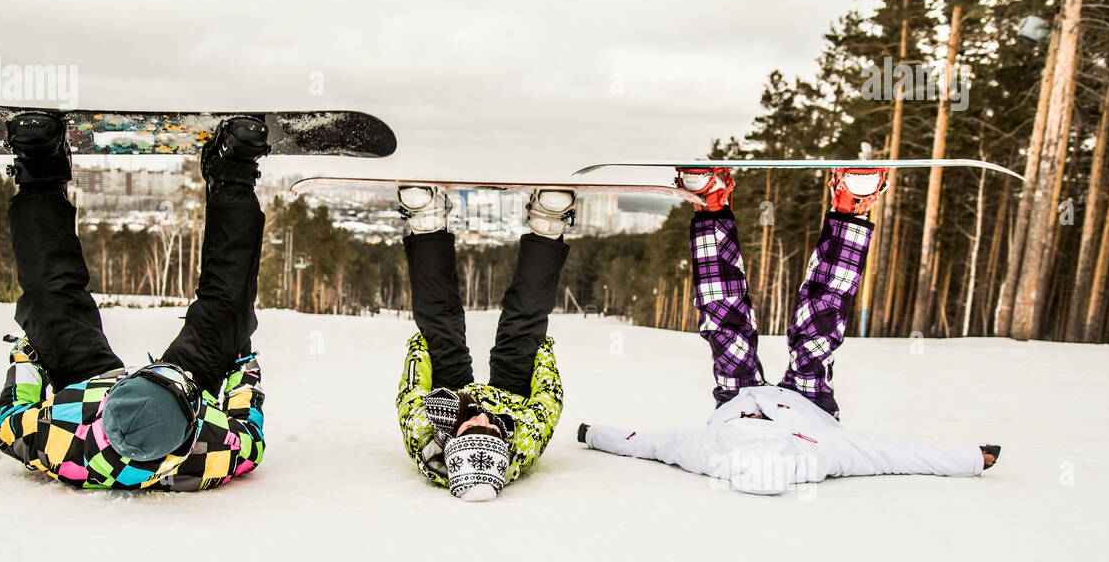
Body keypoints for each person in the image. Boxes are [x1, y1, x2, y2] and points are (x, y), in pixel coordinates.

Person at [578, 167, 1001, 495]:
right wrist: (968, 459)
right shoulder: (824, 453)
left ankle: (712, 203)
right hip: (810, 403)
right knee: (820, 320)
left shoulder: (710, 452)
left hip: (735, 392)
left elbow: (647, 443)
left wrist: (593, 435)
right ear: (788, 445)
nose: (755, 418)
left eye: (748, 426)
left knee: (723, 321)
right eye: (758, 426)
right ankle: (850, 207)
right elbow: (897, 456)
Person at [0, 112, 270, 491]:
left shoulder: (58, 437)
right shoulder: (214, 450)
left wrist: (28, 354)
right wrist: (240, 357)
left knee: (50, 302)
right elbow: (247, 421)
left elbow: (10, 418)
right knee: (228, 308)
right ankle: (233, 174)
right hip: (168, 394)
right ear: (193, 424)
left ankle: (40, 168)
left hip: (88, 386)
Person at [395, 186, 574, 501]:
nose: (481, 417)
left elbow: (411, 391)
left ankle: (427, 220)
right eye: (490, 430)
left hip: (451, 400)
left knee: (440, 328)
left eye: (472, 428)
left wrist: (424, 345)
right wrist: (539, 352)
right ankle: (548, 225)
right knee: (522, 328)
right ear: (504, 444)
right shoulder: (524, 440)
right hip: (512, 402)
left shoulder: (424, 436)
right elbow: (549, 398)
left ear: (450, 440)